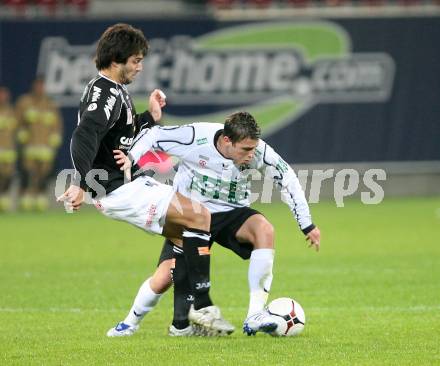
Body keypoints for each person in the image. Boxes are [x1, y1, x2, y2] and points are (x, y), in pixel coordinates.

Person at [57, 23, 232, 336]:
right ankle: (202, 310)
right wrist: (78, 183)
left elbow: (119, 136)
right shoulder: (104, 94)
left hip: (126, 185)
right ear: (117, 60)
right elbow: (84, 135)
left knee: (185, 249)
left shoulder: (113, 90)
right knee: (201, 216)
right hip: (117, 190)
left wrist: (149, 117)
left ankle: (137, 326)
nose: (139, 67)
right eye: (136, 61)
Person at [108, 111, 321, 337]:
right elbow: (153, 135)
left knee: (264, 229)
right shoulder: (195, 136)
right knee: (165, 277)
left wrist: (306, 224)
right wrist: (131, 157)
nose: (251, 155)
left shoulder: (260, 152)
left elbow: (287, 179)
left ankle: (255, 314)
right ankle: (129, 324)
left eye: (253, 148)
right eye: (246, 150)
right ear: (227, 141)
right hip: (191, 215)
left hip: (232, 213)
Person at [15, 77, 63, 211]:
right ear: (33, 86)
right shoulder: (24, 102)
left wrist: (55, 137)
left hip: (45, 147)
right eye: (38, 85)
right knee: (28, 172)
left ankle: (40, 197)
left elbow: (57, 124)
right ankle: (26, 196)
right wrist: (21, 133)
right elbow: (16, 120)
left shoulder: (50, 104)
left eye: (42, 86)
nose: (40, 88)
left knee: (44, 173)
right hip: (29, 146)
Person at [0, 86, 18, 212]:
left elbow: (20, 128)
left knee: (8, 176)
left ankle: (4, 198)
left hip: (9, 150)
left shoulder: (13, 112)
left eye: (4, 95)